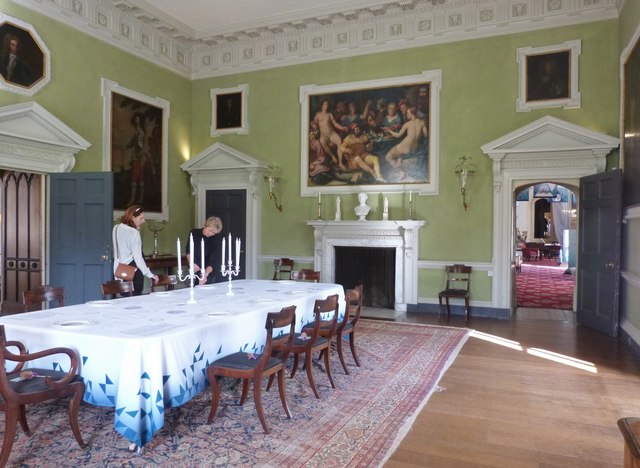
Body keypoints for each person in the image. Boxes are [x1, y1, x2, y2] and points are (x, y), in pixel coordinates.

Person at [112, 205, 158, 295]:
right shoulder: (134, 233)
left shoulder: (116, 228)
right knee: (136, 300)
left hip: (120, 268)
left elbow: (117, 252)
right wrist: (150, 275)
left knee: (124, 300)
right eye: (141, 218)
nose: (143, 221)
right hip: (134, 270)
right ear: (132, 218)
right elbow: (138, 259)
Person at [383, 107, 428, 178]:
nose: (407, 115)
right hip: (414, 149)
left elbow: (398, 136)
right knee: (400, 156)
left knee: (388, 157)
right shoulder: (422, 122)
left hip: (405, 147)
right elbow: (426, 135)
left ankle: (400, 172)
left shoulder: (407, 124)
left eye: (408, 113)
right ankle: (400, 167)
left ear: (412, 114)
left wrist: (389, 130)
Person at [185, 216, 223, 285]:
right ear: (205, 226)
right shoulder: (194, 233)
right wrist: (192, 264)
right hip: (194, 270)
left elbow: (213, 261)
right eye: (210, 230)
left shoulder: (215, 240)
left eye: (214, 233)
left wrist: (205, 275)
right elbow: (188, 250)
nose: (211, 234)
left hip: (208, 272)